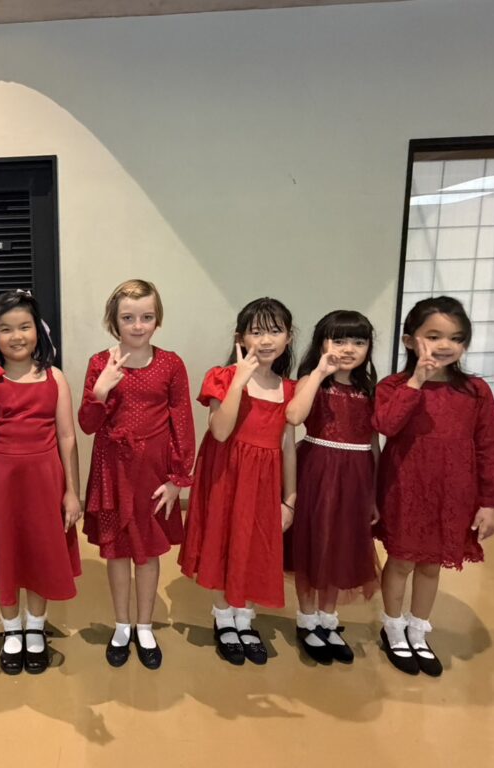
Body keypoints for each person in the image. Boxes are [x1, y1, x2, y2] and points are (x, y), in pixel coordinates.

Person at [374, 296, 494, 677]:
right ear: (409, 341)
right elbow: (386, 424)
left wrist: (490, 502)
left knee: (431, 565)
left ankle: (418, 630)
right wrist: (417, 381)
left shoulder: (475, 391)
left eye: (456, 338)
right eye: (433, 336)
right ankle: (393, 627)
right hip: (406, 486)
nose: (446, 345)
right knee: (401, 560)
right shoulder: (394, 385)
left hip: (453, 492)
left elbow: (490, 447)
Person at [0, 290, 82, 675]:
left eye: (24, 327)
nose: (16, 336)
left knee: (40, 552)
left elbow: (67, 436)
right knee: (4, 551)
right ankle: (12, 629)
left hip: (43, 480)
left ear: (37, 330)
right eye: (6, 329)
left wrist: (73, 492)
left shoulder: (54, 376)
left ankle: (35, 628)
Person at [78, 279, 194, 669]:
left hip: (153, 474)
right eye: (128, 318)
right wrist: (100, 391)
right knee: (116, 551)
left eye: (146, 317)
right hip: (112, 470)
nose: (138, 325)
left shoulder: (171, 364)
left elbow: (182, 422)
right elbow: (87, 424)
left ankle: (144, 625)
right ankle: (122, 624)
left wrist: (178, 478)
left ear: (157, 319)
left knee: (147, 552)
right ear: (114, 321)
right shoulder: (100, 362)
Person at [179, 298, 297, 666]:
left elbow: (288, 447)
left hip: (264, 483)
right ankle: (223, 619)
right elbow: (220, 430)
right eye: (256, 331)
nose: (266, 340)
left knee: (253, 544)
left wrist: (290, 499)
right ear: (240, 337)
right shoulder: (222, 376)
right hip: (226, 476)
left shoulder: (288, 388)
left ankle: (244, 618)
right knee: (223, 540)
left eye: (275, 331)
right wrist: (239, 381)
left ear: (289, 337)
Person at [284, 310, 380, 665]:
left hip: (356, 476)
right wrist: (319, 372)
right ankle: (307, 620)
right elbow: (294, 416)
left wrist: (374, 493)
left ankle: (328, 618)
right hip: (318, 471)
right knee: (315, 543)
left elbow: (374, 443)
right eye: (339, 340)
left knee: (340, 545)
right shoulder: (313, 381)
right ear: (321, 344)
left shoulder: (369, 390)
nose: (348, 348)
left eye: (358, 341)